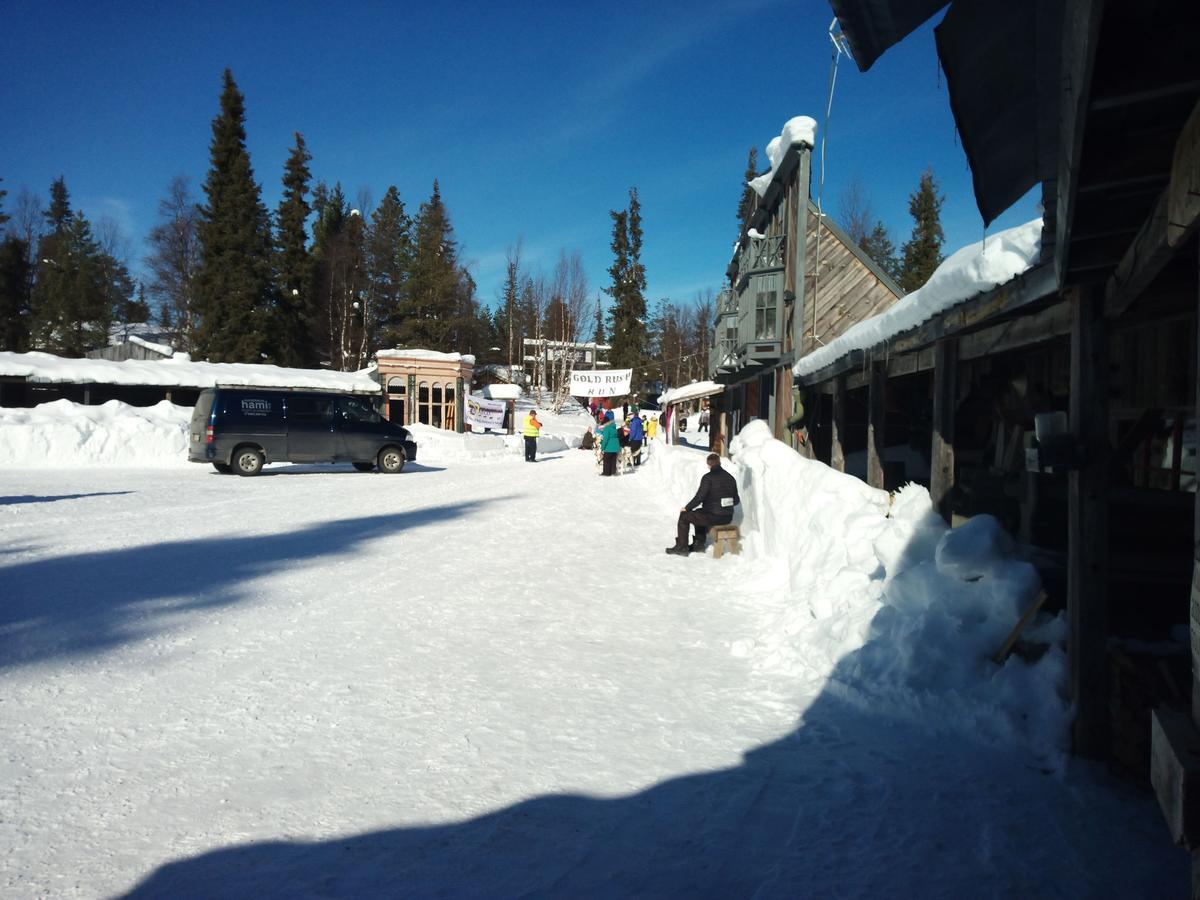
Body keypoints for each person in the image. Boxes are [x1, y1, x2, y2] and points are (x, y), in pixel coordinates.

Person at [666, 452, 739, 556]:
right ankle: (698, 545)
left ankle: (682, 547)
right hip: (727, 517)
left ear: (708, 465)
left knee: (684, 517)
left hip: (713, 516)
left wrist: (687, 508)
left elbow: (699, 498)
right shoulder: (731, 478)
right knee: (698, 513)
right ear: (719, 463)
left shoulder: (708, 477)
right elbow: (736, 501)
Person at [598, 410, 620, 476]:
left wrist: (602, 447)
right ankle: (613, 472)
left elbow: (605, 439)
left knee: (606, 460)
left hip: (609, 447)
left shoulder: (607, 428)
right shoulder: (614, 427)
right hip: (616, 447)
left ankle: (606, 473)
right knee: (613, 460)